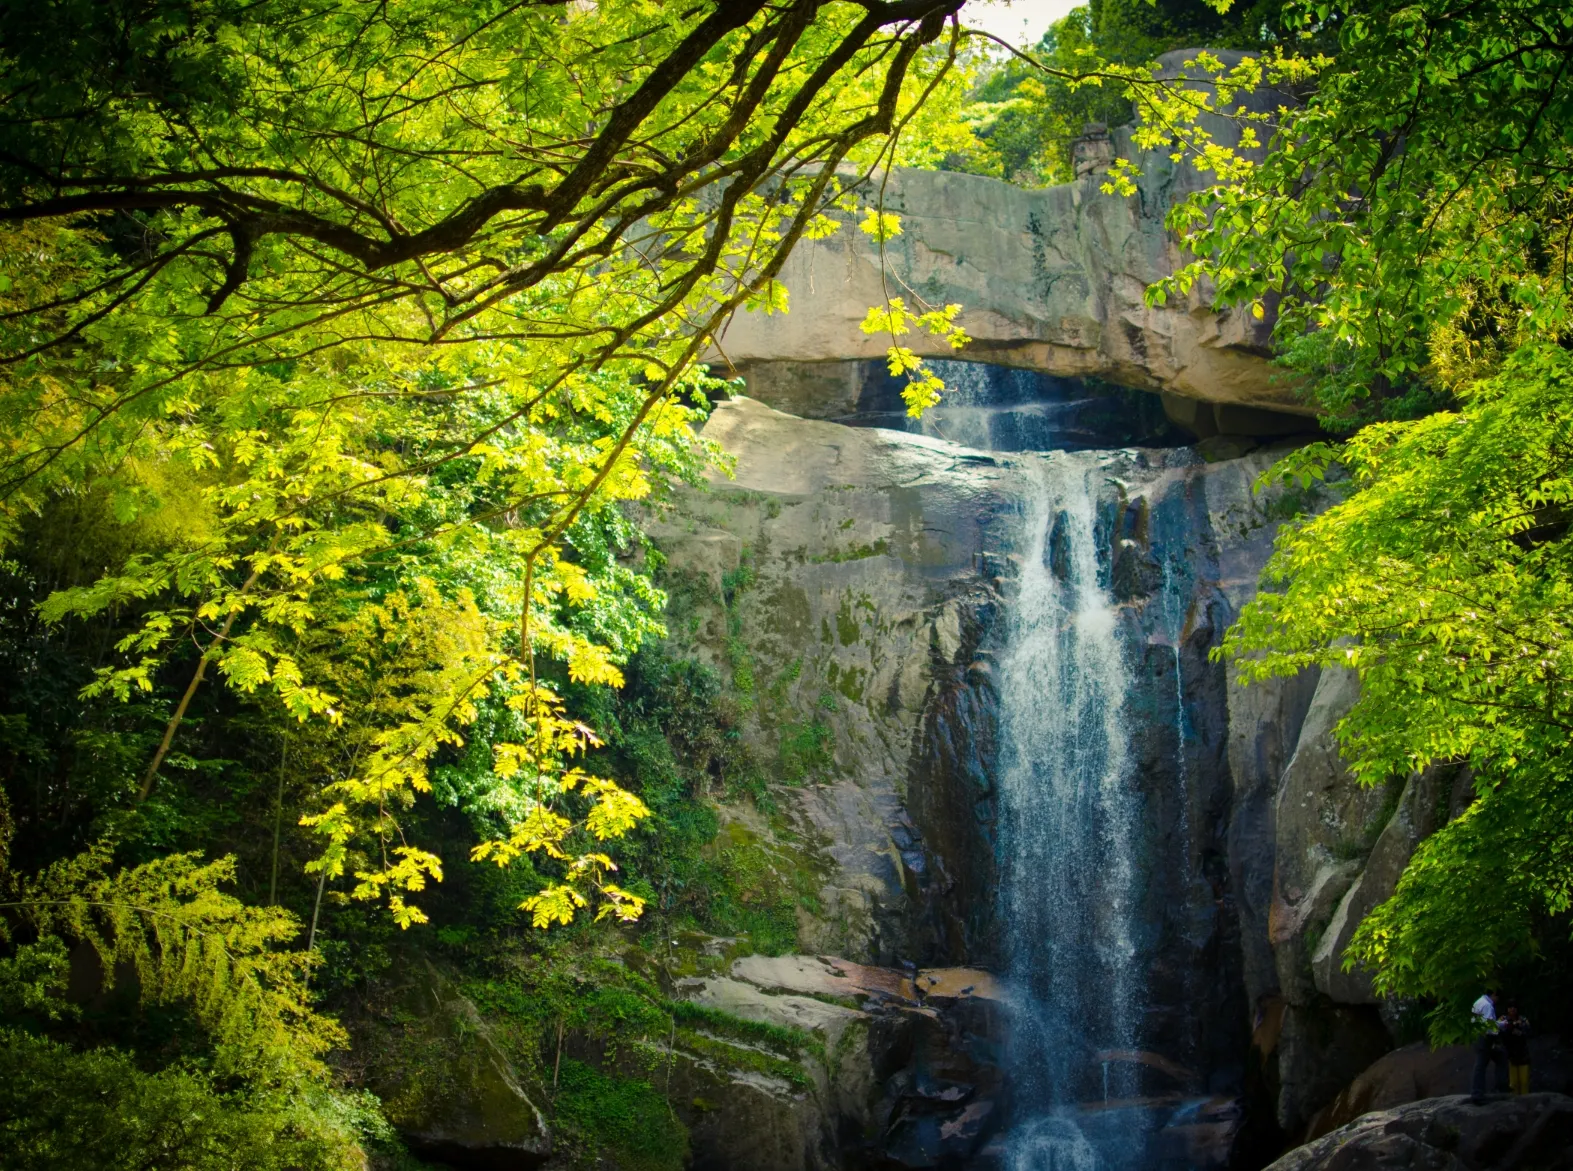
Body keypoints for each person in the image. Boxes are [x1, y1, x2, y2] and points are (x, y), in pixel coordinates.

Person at [1470, 988, 1508, 1100]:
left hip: (1477, 1035)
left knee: (1498, 1058)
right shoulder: (1487, 1005)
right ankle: (1478, 1093)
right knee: (1481, 1065)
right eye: (1498, 997)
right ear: (1494, 994)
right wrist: (1502, 1025)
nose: (1497, 1000)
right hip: (1485, 1038)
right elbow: (1489, 1027)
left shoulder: (1478, 1002)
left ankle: (1496, 1088)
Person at [1500, 1003, 1531, 1094]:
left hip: (1523, 1053)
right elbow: (1497, 1032)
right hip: (1509, 1054)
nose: (1512, 1009)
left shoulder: (1523, 1019)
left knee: (1524, 1081)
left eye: (1514, 1007)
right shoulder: (1503, 1019)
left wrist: (1520, 1031)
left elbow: (1529, 1032)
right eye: (1510, 1007)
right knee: (1513, 1083)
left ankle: (1526, 1101)